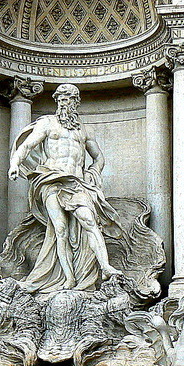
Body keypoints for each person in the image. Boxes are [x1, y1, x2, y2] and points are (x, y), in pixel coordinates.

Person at [7, 83, 124, 294]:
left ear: (75, 102)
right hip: (51, 180)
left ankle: (105, 266)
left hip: (76, 183)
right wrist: (15, 163)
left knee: (89, 221)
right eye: (60, 99)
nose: (63, 103)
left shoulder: (84, 130)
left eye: (67, 99)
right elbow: (26, 146)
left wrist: (93, 171)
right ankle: (69, 278)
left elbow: (98, 157)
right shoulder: (48, 124)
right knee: (60, 230)